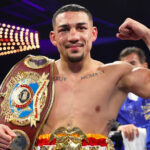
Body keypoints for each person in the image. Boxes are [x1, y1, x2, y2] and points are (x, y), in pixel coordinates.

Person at [0, 4, 150, 149]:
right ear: (53, 37)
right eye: (64, 29)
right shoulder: (32, 76)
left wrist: (147, 34)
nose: (73, 36)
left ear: (93, 33)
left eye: (81, 28)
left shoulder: (117, 74)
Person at [112, 46, 150, 150]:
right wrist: (118, 126)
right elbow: (101, 118)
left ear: (144, 66)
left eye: (132, 63)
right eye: (125, 66)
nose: (129, 70)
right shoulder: (113, 96)